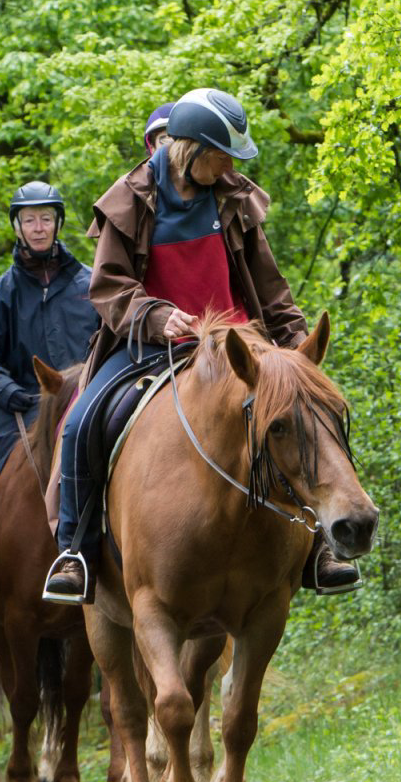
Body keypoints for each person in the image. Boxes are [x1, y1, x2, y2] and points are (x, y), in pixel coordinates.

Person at [44, 87, 360, 602]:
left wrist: (297, 348)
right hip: (152, 346)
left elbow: (270, 285)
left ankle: (322, 542)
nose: (227, 167)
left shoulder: (233, 197)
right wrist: (155, 314)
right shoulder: (128, 199)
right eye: (221, 157)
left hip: (240, 347)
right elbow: (108, 287)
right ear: (189, 149)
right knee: (80, 423)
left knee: (313, 408)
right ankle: (74, 550)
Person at [0, 182, 100, 572]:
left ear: (58, 223)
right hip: (22, 402)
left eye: (46, 218)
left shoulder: (91, 285)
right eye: (30, 220)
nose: (39, 227)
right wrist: (10, 393)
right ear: (17, 227)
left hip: (84, 398)